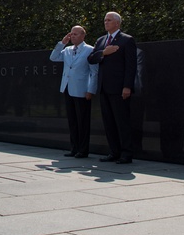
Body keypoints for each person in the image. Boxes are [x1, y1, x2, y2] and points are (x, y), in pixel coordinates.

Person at [87, 11, 138, 164]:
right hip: (104, 88)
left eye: (109, 20)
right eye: (105, 20)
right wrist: (104, 52)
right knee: (108, 122)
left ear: (117, 23)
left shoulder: (126, 40)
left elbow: (131, 66)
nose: (106, 22)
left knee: (122, 122)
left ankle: (126, 153)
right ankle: (114, 152)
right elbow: (91, 59)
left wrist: (127, 86)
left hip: (119, 88)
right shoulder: (101, 41)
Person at [49, 25, 99, 158]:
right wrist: (62, 43)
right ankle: (74, 147)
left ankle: (83, 149)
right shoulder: (67, 50)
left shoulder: (90, 50)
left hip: (82, 89)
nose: (73, 36)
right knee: (72, 120)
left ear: (83, 36)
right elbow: (53, 57)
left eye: (76, 34)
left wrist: (91, 90)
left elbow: (94, 72)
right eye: (71, 34)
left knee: (82, 120)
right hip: (67, 87)